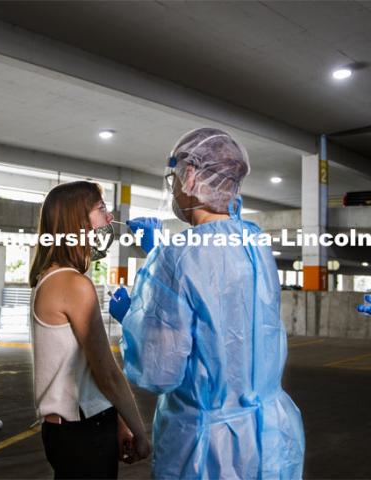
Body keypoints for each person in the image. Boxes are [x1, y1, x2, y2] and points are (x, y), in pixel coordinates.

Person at [110, 128, 305, 479]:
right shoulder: (255, 242)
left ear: (190, 176)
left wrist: (135, 320)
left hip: (206, 447)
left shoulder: (175, 258)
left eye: (174, 178)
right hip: (269, 438)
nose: (173, 189)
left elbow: (160, 373)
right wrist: (159, 258)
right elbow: (219, 292)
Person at [29, 181, 150, 479]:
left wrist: (117, 422)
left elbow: (86, 374)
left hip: (75, 425)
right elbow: (106, 371)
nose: (110, 218)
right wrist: (140, 431)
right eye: (101, 209)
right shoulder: (73, 284)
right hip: (82, 431)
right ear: (77, 222)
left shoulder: (51, 277)